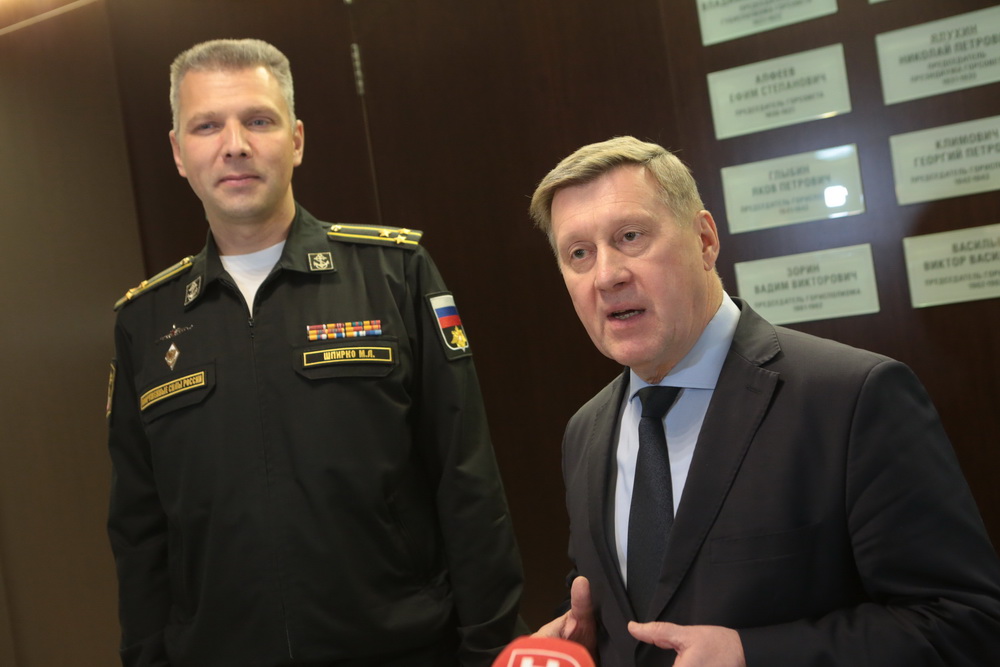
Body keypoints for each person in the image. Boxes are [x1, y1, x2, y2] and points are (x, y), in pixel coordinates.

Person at [106, 38, 525, 667]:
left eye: (258, 120)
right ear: (178, 153)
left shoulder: (395, 274)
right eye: (206, 126)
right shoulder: (145, 321)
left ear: (296, 139)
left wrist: (493, 649)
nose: (235, 145)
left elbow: (467, 482)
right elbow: (139, 532)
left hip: (402, 651)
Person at [527, 136, 1000, 666]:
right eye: (579, 254)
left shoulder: (852, 398)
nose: (606, 276)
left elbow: (967, 624)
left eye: (630, 236)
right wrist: (578, 639)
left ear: (705, 240)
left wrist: (750, 654)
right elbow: (627, 602)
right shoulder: (585, 432)